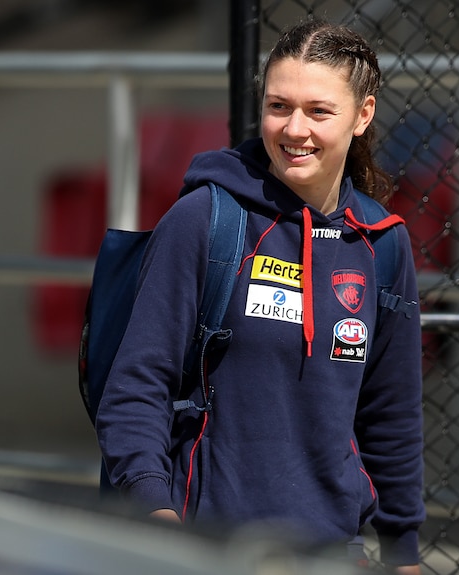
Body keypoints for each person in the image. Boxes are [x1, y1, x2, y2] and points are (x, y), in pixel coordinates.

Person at [95, 18, 425, 573]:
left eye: (319, 111)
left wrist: (402, 552)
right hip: (206, 546)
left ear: (362, 115)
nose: (295, 129)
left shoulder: (382, 243)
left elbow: (390, 415)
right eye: (279, 106)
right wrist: (156, 516)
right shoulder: (204, 219)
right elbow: (134, 386)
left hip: (332, 553)